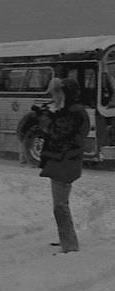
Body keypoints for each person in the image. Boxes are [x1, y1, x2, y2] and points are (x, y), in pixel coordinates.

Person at [38, 77, 90, 253]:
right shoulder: (72, 110)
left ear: (65, 93)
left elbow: (57, 133)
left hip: (65, 163)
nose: (54, 96)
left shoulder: (74, 111)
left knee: (60, 206)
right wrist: (51, 114)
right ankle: (66, 240)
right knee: (61, 204)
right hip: (64, 162)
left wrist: (45, 119)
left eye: (57, 93)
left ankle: (69, 245)